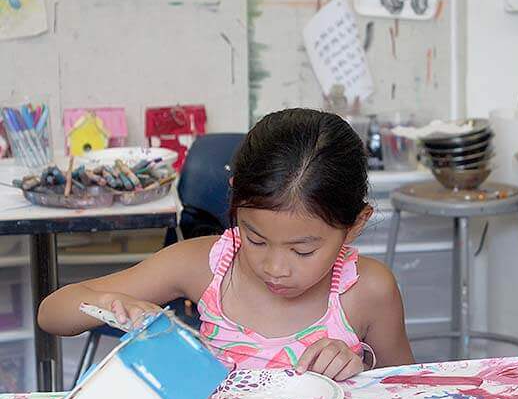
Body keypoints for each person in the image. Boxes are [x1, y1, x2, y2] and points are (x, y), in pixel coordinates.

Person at [39, 108, 415, 380]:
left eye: (302, 250)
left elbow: (408, 392)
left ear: (353, 226)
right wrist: (110, 305)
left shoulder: (367, 289)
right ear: (235, 201)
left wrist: (361, 366)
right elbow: (52, 312)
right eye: (255, 238)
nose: (275, 267)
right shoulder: (206, 265)